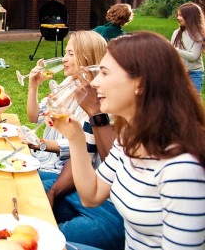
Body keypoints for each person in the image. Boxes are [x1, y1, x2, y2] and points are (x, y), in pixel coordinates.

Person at [50, 31, 205, 249]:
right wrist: (75, 138)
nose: (94, 83)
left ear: (140, 83)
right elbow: (91, 195)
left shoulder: (182, 168)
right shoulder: (129, 138)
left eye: (104, 73)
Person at [24, 31, 124, 249]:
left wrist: (96, 115)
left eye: (105, 73)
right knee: (24, 191)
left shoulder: (107, 108)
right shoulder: (92, 103)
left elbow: (109, 172)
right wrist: (52, 192)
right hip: (91, 194)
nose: (98, 82)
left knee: (37, 239)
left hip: (115, 214)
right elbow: (88, 168)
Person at [171, 2, 205, 92]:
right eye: (178, 15)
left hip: (194, 73)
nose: (178, 18)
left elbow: (193, 56)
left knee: (193, 101)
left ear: (191, 17)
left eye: (181, 15)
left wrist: (174, 49)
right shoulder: (176, 33)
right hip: (179, 72)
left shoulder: (198, 35)